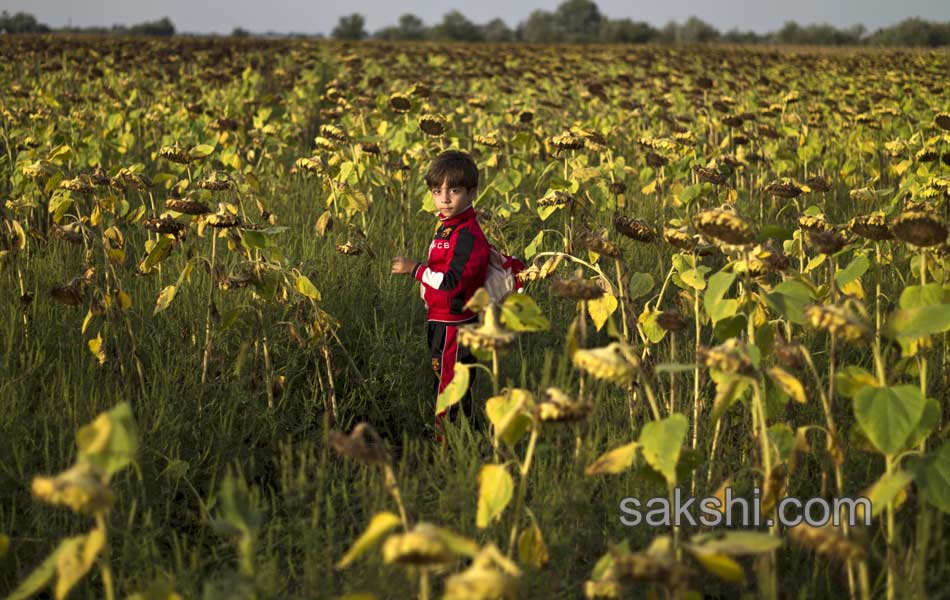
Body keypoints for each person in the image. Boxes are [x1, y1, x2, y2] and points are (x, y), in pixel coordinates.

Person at [391, 150, 490, 443]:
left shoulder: (467, 235)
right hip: (441, 321)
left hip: (454, 325)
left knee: (449, 387)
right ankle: (469, 440)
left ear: (472, 193)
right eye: (437, 191)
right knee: (452, 382)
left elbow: (451, 284)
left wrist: (415, 270)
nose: (444, 198)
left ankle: (444, 446)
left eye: (454, 191)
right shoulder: (447, 229)